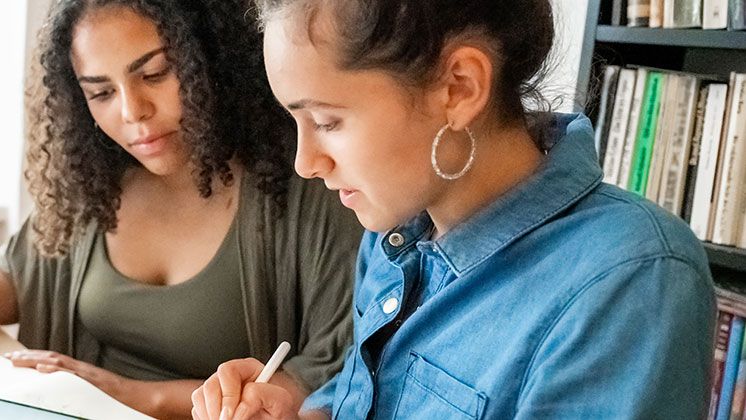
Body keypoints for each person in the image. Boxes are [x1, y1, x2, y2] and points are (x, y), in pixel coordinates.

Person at [0, 0, 363, 418]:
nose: (133, 112)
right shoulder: (101, 180)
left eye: (155, 74)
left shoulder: (312, 190)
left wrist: (127, 394)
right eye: (101, 92)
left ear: (213, 60)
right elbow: (27, 271)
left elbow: (326, 377)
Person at [190, 0, 716, 419]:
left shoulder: (631, 279)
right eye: (296, 122)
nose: (305, 163)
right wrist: (298, 411)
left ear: (459, 88)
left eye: (327, 121)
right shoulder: (393, 236)